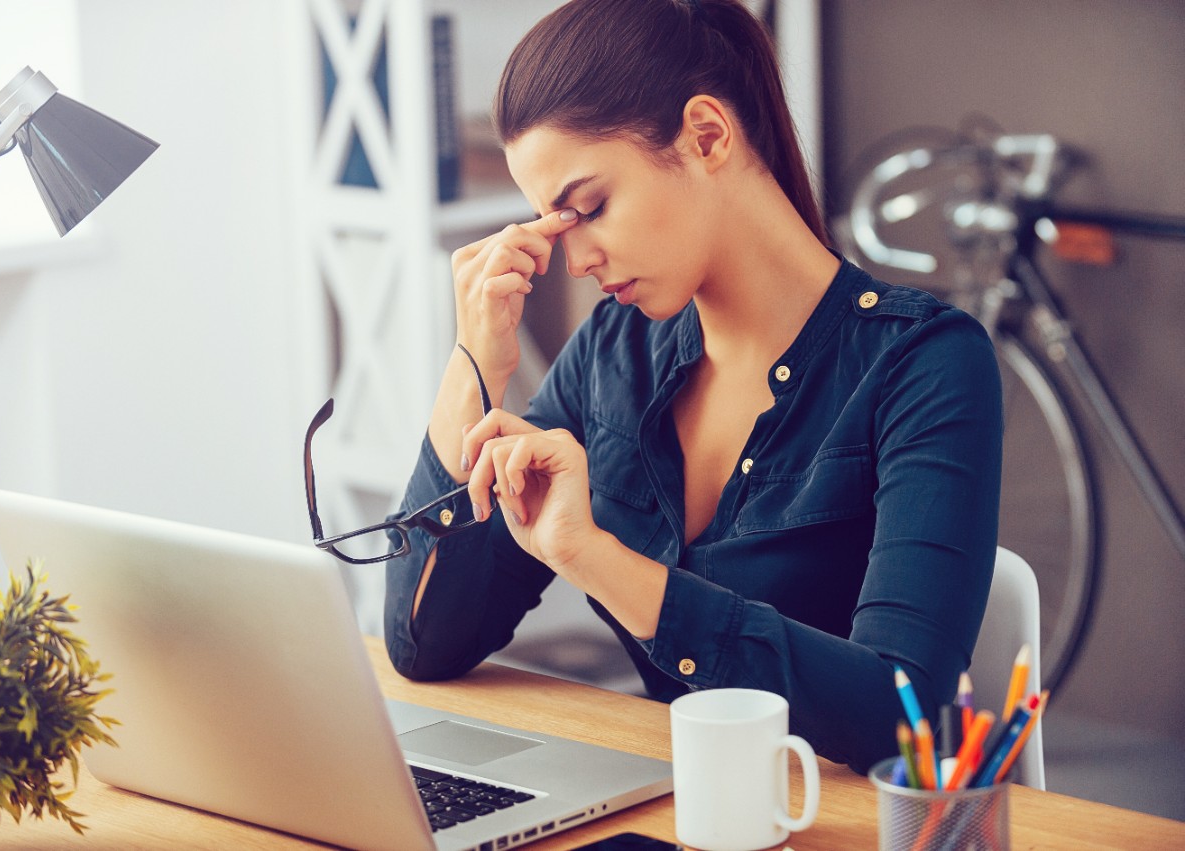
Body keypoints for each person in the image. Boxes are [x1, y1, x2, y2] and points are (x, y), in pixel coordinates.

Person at [383, 0, 1002, 774]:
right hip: (678, 809)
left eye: (591, 207)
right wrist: (477, 359)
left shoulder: (924, 363)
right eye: (554, 223)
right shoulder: (613, 353)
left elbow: (896, 709)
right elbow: (424, 644)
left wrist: (595, 558)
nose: (575, 260)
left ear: (707, 136)